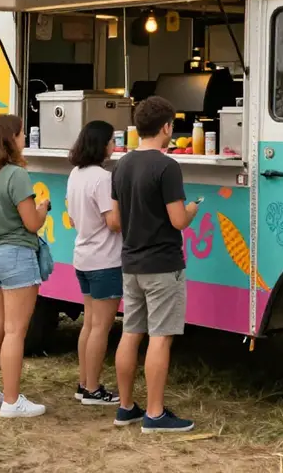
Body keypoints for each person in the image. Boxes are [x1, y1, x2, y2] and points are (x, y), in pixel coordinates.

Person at [112, 96, 200, 433]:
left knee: (131, 333)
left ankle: (125, 407)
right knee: (160, 338)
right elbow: (178, 221)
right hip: (163, 264)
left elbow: (116, 220)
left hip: (131, 262)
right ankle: (155, 413)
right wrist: (191, 210)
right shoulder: (167, 166)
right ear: (166, 127)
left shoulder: (121, 165)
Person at [0, 114, 49, 418]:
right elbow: (31, 223)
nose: (25, 139)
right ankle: (13, 401)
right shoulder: (16, 175)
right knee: (16, 331)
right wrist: (41, 209)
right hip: (16, 256)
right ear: (10, 139)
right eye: (21, 134)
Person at [66, 120, 122, 406]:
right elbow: (112, 222)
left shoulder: (75, 173)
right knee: (101, 326)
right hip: (106, 259)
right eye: (112, 140)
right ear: (102, 145)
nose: (114, 145)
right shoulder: (103, 178)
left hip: (83, 256)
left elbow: (73, 218)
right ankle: (93, 388)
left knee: (89, 324)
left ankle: (84, 382)